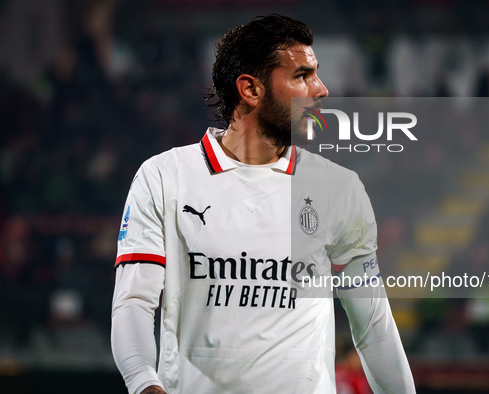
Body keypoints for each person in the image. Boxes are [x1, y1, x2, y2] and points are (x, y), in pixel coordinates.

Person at [111, 14, 414, 394]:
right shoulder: (164, 177)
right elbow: (133, 303)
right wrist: (144, 384)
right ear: (251, 90)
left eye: (315, 74)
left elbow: (373, 325)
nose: (321, 89)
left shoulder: (339, 188)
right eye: (302, 76)